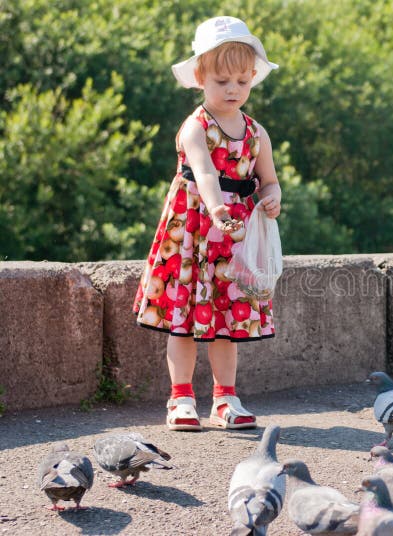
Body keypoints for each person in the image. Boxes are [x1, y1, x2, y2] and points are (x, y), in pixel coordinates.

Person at [132, 16, 281, 431]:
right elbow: (205, 172)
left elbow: (269, 180)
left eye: (240, 80)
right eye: (221, 81)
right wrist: (216, 209)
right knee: (183, 321)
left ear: (252, 78)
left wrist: (271, 198)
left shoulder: (256, 133)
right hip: (192, 231)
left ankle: (225, 398)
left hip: (233, 239)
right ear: (200, 78)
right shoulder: (195, 127)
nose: (232, 89)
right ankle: (180, 398)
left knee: (225, 323)